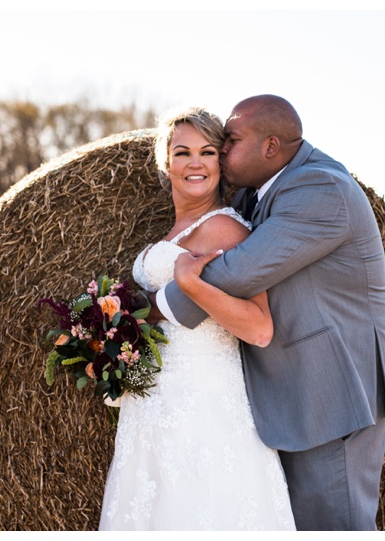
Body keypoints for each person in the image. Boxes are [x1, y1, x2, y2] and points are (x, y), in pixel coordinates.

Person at [149, 95, 385, 530]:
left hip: (333, 389)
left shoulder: (320, 189)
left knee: (334, 524)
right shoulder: (257, 194)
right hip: (294, 389)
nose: (221, 151)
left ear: (270, 146)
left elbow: (237, 271)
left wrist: (136, 316)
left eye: (230, 141)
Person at [98, 106, 296, 530]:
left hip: (203, 402)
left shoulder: (226, 229)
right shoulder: (173, 233)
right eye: (182, 152)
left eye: (207, 152)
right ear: (165, 162)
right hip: (152, 406)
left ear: (220, 163)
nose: (195, 163)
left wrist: (193, 285)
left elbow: (259, 327)